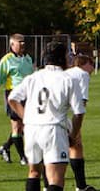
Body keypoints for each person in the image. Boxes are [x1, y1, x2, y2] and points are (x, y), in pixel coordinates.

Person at [8, 41, 86, 191]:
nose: (70, 58)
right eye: (67, 55)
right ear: (62, 58)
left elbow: (12, 98)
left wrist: (26, 118)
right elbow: (79, 112)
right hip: (53, 130)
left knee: (34, 172)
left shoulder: (33, 77)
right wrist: (74, 135)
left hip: (31, 129)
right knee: (55, 180)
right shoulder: (69, 79)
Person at [0, 34, 35, 165]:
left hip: (28, 95)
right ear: (12, 45)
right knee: (17, 126)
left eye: (23, 42)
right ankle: (23, 157)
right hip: (14, 95)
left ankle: (5, 147)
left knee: (25, 125)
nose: (22, 44)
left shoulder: (27, 58)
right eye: (19, 42)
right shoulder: (7, 60)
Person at [65, 55, 100, 191]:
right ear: (84, 64)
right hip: (66, 115)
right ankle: (81, 186)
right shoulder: (83, 74)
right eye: (91, 64)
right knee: (76, 146)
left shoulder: (67, 72)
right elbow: (82, 102)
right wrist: (77, 127)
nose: (92, 68)